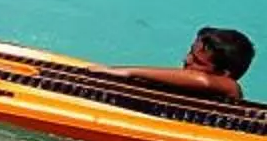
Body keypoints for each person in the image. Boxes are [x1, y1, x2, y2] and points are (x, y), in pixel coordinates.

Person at [108, 26, 254, 101]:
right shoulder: (186, 88)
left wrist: (130, 71)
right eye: (191, 53)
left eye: (197, 61)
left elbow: (203, 81)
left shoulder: (231, 88)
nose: (186, 59)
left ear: (223, 74)